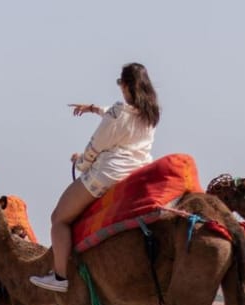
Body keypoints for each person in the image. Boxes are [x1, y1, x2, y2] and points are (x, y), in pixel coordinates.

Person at [30, 62, 160, 292]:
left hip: (108, 174)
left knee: (59, 218)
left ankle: (60, 276)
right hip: (138, 172)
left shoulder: (119, 111)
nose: (120, 88)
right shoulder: (151, 112)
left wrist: (80, 163)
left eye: (121, 84)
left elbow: (96, 145)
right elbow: (117, 119)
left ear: (127, 86)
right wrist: (93, 108)